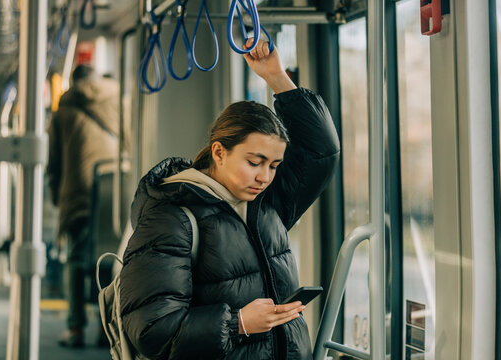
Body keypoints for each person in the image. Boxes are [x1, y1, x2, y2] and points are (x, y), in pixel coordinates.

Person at [119, 40, 340, 359]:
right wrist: (238, 323)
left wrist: (276, 77)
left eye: (274, 165)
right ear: (219, 152)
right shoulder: (171, 218)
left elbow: (321, 152)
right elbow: (151, 329)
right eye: (254, 162)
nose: (265, 176)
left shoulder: (266, 206)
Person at [47, 64, 120, 347]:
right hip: (113, 187)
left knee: (76, 261)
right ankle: (107, 330)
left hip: (77, 191)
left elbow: (54, 162)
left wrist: (57, 197)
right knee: (110, 259)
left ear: (74, 82)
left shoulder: (63, 110)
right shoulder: (119, 99)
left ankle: (75, 329)